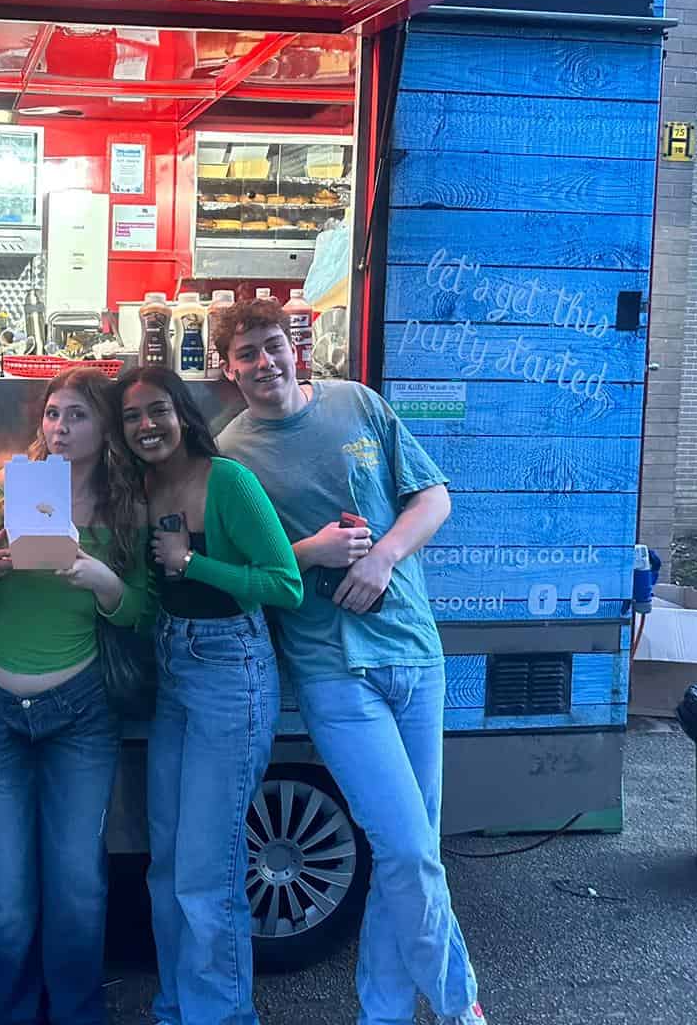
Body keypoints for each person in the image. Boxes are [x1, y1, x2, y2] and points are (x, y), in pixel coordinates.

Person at [212, 298, 487, 1025]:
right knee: (404, 847)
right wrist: (315, 553)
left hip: (415, 652)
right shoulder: (232, 455)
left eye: (273, 346)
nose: (265, 363)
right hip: (332, 666)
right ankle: (463, 1004)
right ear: (227, 368)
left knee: (411, 853)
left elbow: (432, 499)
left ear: (293, 346)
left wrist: (386, 557)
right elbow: (237, 570)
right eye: (247, 354)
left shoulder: (357, 403)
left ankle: (385, 1013)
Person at [0, 367, 151, 1025]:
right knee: (6, 892)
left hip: (80, 710)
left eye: (78, 416)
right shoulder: (10, 483)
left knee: (77, 886)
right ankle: (14, 1012)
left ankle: (75, 1013)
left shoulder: (128, 505)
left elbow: (140, 612)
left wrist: (103, 581)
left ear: (106, 429)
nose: (61, 428)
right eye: (53, 414)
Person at [117, 365, 302, 1025]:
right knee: (165, 870)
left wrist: (194, 561)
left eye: (158, 410)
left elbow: (285, 584)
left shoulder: (228, 481)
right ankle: (177, 1011)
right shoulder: (141, 488)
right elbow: (145, 599)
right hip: (174, 669)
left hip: (232, 672)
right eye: (133, 415)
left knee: (206, 873)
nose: (146, 425)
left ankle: (223, 1017)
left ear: (183, 414)